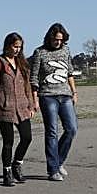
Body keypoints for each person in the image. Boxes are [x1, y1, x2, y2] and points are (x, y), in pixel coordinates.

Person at [0, 32, 37, 187]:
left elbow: (27, 86)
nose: (17, 50)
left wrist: (31, 104)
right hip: (5, 108)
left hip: (22, 107)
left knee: (27, 137)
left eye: (20, 47)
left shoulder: (22, 63)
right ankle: (7, 172)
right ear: (8, 45)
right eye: (15, 46)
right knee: (8, 141)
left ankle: (17, 163)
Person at [30, 22, 77, 181]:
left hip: (65, 95)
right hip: (47, 95)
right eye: (56, 39)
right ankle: (52, 170)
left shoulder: (66, 50)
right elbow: (34, 78)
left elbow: (70, 72)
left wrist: (74, 92)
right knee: (52, 131)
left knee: (71, 129)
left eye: (61, 40)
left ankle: (59, 161)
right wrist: (35, 99)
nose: (58, 42)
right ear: (50, 38)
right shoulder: (40, 53)